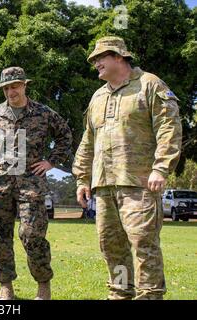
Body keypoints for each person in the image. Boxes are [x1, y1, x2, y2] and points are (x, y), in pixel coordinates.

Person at [72, 36, 182, 300]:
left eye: (101, 57)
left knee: (144, 244)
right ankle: (120, 294)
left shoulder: (149, 85)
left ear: (119, 56)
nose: (96, 63)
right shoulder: (98, 97)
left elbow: (170, 128)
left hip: (139, 183)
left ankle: (149, 296)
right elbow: (88, 139)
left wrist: (161, 168)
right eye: (95, 59)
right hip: (104, 186)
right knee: (112, 247)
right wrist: (82, 178)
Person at [0, 67, 73, 300]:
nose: (11, 91)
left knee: (32, 234)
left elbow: (65, 136)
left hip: (32, 184)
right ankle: (6, 286)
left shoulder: (43, 112)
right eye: (7, 88)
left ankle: (43, 284)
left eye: (15, 86)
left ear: (24, 85)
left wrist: (51, 161)